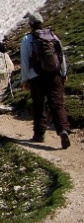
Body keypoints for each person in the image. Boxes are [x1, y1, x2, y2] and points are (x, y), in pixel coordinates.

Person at [20, 11, 71, 148]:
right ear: (42, 22)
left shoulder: (27, 39)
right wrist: (63, 73)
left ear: (30, 24)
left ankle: (39, 134)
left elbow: (24, 61)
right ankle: (63, 130)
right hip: (55, 75)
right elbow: (61, 56)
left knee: (39, 105)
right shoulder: (53, 36)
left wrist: (25, 79)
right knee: (57, 104)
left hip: (36, 77)